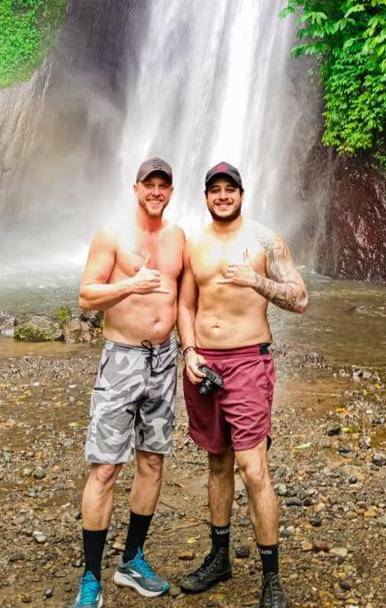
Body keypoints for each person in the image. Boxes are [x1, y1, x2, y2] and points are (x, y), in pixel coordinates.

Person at [177, 161, 308, 608]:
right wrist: (189, 352)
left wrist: (256, 279)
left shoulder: (265, 241)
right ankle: (219, 558)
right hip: (204, 364)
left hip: (249, 362)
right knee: (217, 463)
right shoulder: (193, 244)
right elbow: (186, 305)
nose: (222, 195)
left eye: (229, 188)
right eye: (214, 189)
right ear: (206, 196)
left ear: (241, 193)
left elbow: (301, 299)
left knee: (254, 470)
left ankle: (271, 577)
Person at [73, 158, 185, 607]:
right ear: (136, 187)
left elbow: (190, 298)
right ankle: (90, 578)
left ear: (171, 191)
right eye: (149, 184)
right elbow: (85, 295)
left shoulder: (178, 239)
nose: (156, 191)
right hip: (121, 359)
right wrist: (130, 286)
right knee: (105, 467)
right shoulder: (112, 234)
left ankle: (133, 559)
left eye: (164, 185)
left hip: (164, 360)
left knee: (153, 462)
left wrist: (193, 350)